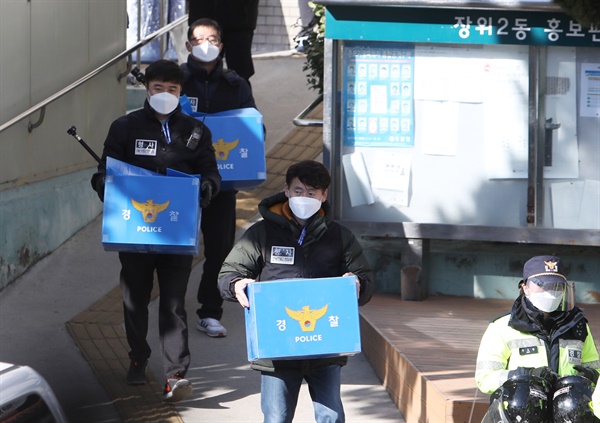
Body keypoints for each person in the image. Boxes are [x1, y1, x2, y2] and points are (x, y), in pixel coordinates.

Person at [90, 59, 221, 403]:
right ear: (147, 90)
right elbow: (103, 171)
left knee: (174, 304)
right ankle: (137, 355)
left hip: (177, 233)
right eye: (159, 88)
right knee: (134, 301)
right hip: (134, 233)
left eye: (173, 89)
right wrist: (105, 183)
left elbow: (210, 170)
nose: (166, 94)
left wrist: (208, 185)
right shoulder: (124, 127)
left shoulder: (195, 131)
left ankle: (175, 374)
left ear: (182, 92)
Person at [218, 160, 374, 423]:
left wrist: (357, 283)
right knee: (277, 417)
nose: (304, 197)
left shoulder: (339, 236)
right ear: (287, 191)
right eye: (299, 190)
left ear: (323, 196)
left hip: (325, 346)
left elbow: (365, 279)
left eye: (312, 192)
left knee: (331, 416)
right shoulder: (262, 233)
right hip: (277, 347)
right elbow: (229, 272)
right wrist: (236, 284)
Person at [182, 17, 258, 339]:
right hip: (179, 180)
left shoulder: (236, 84)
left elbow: (255, 126)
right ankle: (171, 310)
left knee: (219, 247)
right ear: (188, 46)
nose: (207, 45)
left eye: (212, 39)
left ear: (222, 45)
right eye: (199, 40)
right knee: (177, 247)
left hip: (221, 183)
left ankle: (209, 311)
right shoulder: (177, 81)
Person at [475, 255, 600, 421]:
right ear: (525, 287)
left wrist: (590, 375)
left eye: (556, 286)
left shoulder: (577, 326)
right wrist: (523, 375)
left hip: (566, 411)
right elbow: (484, 378)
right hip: (522, 411)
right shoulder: (503, 326)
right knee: (520, 400)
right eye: (542, 285)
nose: (550, 291)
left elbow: (595, 368)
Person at [187, 0, 259, 82]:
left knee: (240, 73)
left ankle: (241, 93)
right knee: (201, 69)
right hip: (203, 17)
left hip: (240, 19)